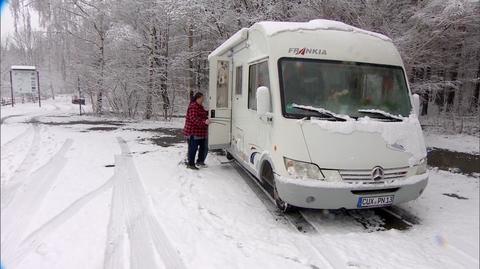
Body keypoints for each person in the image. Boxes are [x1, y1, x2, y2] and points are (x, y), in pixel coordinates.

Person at [183, 92, 210, 170]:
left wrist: (211, 111)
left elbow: (203, 113)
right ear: (198, 98)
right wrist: (204, 122)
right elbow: (193, 118)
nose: (203, 100)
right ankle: (191, 164)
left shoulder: (199, 106)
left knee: (204, 147)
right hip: (193, 132)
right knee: (193, 148)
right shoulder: (193, 106)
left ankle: (200, 161)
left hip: (200, 132)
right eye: (202, 98)